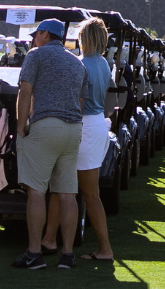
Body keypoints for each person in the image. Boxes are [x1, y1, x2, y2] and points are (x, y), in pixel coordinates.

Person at [12, 19, 88, 270]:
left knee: (36, 191)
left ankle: (34, 252)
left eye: (37, 34)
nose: (34, 38)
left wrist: (20, 126)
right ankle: (67, 254)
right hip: (73, 128)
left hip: (46, 125)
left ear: (45, 35)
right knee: (67, 194)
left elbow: (25, 92)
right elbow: (80, 102)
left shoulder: (35, 56)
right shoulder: (77, 62)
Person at [45, 18, 116, 261]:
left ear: (84, 38)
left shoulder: (80, 64)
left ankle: (104, 248)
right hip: (96, 124)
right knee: (61, 187)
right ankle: (49, 239)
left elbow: (79, 101)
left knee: (85, 192)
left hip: (82, 125)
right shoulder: (105, 64)